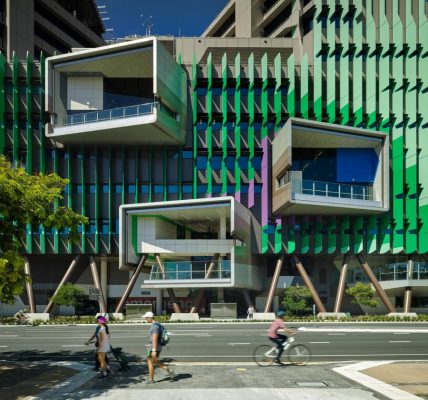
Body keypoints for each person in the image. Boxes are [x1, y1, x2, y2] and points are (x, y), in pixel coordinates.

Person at [143, 311, 175, 384]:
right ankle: (168, 370)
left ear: (150, 318)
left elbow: (155, 338)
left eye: (146, 318)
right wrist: (150, 345)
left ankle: (151, 380)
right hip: (155, 346)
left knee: (150, 362)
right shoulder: (156, 325)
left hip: (155, 347)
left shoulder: (155, 326)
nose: (145, 319)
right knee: (154, 361)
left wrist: (153, 349)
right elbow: (154, 339)